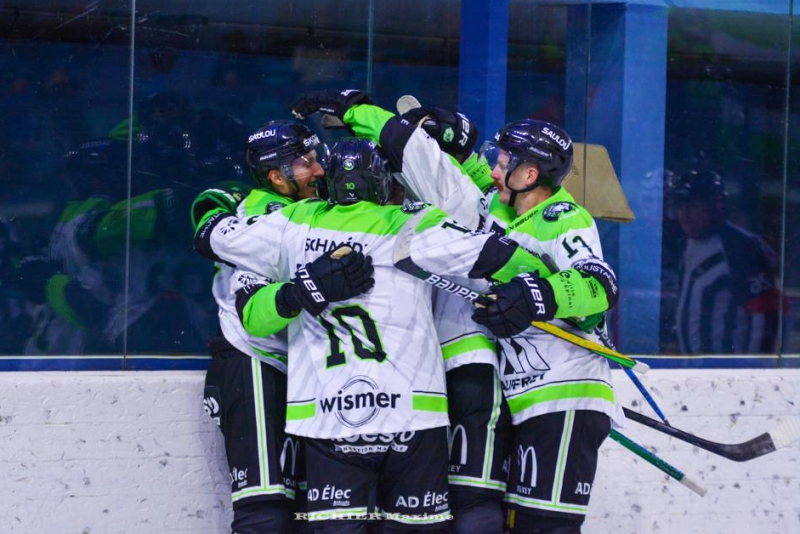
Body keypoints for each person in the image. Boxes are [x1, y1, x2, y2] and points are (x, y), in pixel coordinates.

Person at [195, 136, 548, 533]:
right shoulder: (413, 221)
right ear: (382, 184)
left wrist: (217, 213)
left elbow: (216, 246)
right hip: (414, 415)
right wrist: (535, 291)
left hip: (327, 419)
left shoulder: (291, 225)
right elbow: (502, 256)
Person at [193, 119, 352, 534]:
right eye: (305, 163)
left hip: (305, 369)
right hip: (255, 362)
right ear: (276, 176)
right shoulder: (259, 215)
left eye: (317, 158)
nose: (318, 170)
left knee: (306, 508)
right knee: (263, 512)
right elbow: (255, 308)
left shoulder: (308, 208)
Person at [469, 119, 621, 533]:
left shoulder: (563, 218)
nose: (494, 171)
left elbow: (599, 286)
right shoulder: (504, 211)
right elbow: (472, 177)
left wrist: (537, 296)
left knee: (543, 527)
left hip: (564, 395)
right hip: (525, 398)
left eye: (502, 164)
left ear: (529, 174)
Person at [666, 169, 780, 354]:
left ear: (716, 205)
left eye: (694, 204)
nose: (684, 212)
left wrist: (755, 368)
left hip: (726, 373)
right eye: (680, 204)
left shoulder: (742, 248)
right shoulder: (683, 244)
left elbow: (764, 316)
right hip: (687, 371)